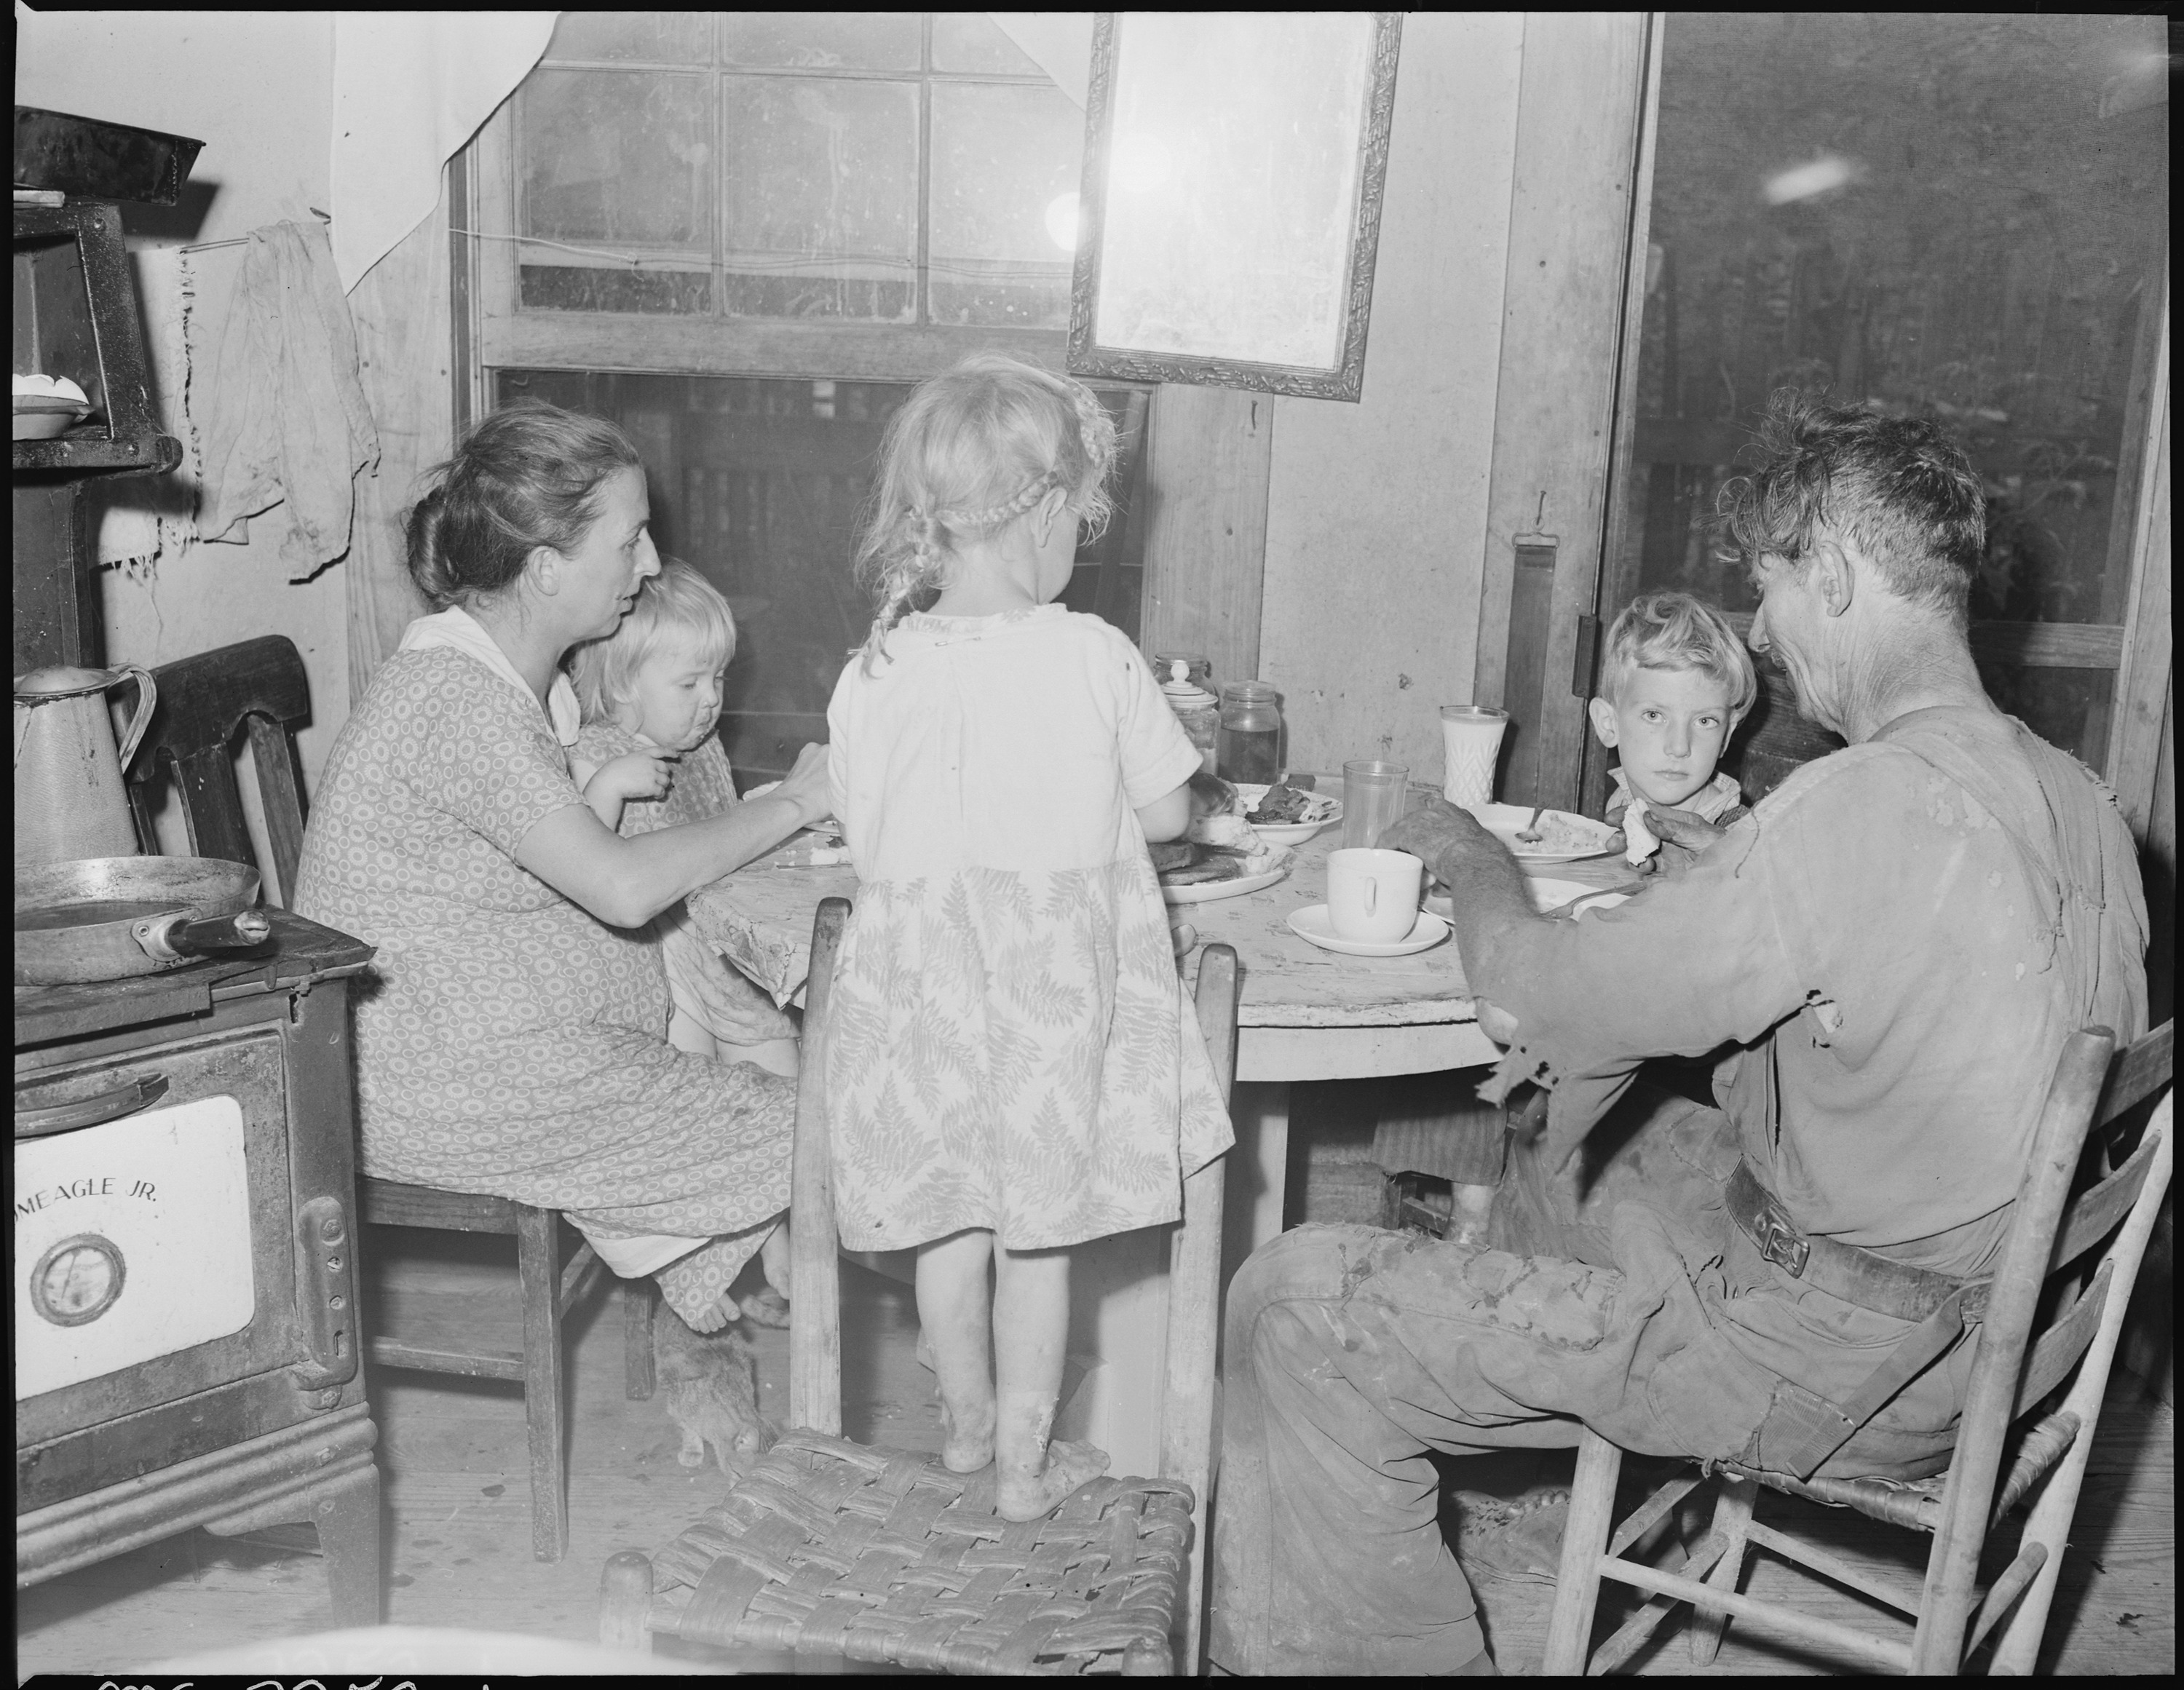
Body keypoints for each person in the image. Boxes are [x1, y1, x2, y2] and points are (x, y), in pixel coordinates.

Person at [1206, 392, 2148, 1675]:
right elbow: (1910, 1043)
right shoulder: (2079, 797)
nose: (1761, 632)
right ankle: (1540, 1507)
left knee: (1285, 1304)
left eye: (1770, 590)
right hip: (1989, 1334)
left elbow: (1532, 1002)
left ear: (1839, 569)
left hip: (1824, 1374)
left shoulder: (1854, 804)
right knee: (1572, 1128)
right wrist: (1734, 894)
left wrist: (1463, 847)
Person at [293, 402, 832, 1336]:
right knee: (828, 1124)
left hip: (519, 1060)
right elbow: (623, 887)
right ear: (546, 569)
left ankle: (750, 1296)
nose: (654, 564)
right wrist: (794, 803)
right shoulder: (455, 702)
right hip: (452, 1090)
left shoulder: (524, 687)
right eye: (630, 543)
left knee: (802, 1086)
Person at [823, 354, 1235, 1521]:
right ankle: (1021, 1468)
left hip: (913, 996)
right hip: (1046, 999)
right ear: (1044, 513)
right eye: (1081, 519)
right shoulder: (1092, 652)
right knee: (1036, 1240)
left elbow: (861, 824)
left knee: (951, 1221)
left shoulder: (875, 665)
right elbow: (1164, 813)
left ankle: (958, 1429)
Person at [570, 560, 801, 1082]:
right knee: (690, 1085)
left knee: (784, 1090)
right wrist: (606, 786)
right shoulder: (597, 751)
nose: (713, 698)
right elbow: (582, 859)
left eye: (718, 677)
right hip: (661, 965)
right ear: (625, 685)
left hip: (727, 956)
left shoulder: (704, 748)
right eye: (689, 684)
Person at [1586, 589, 1755, 868]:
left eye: (1705, 721)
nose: (1679, 747)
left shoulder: (1742, 839)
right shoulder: (1624, 800)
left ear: (1726, 736)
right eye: (1654, 715)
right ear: (1608, 723)